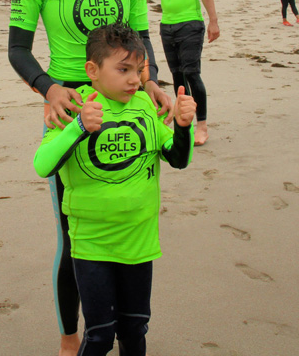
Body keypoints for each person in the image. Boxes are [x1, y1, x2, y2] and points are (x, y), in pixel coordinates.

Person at [8, 0, 173, 356]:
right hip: (73, 110)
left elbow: (138, 39)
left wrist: (151, 81)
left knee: (127, 214)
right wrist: (49, 89)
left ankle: (126, 325)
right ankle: (70, 337)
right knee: (72, 233)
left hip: (127, 101)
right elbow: (18, 49)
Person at [33, 23, 194, 356]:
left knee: (134, 331)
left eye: (138, 70)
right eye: (123, 70)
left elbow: (178, 158)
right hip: (92, 245)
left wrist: (182, 126)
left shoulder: (144, 106)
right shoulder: (73, 107)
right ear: (93, 70)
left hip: (139, 242)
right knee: (100, 336)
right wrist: (78, 127)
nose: (135, 80)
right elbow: (43, 165)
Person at [145, 0, 220, 146]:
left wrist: (213, 20)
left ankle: (202, 126)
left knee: (191, 73)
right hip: (167, 25)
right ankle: (183, 123)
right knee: (177, 76)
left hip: (190, 23)